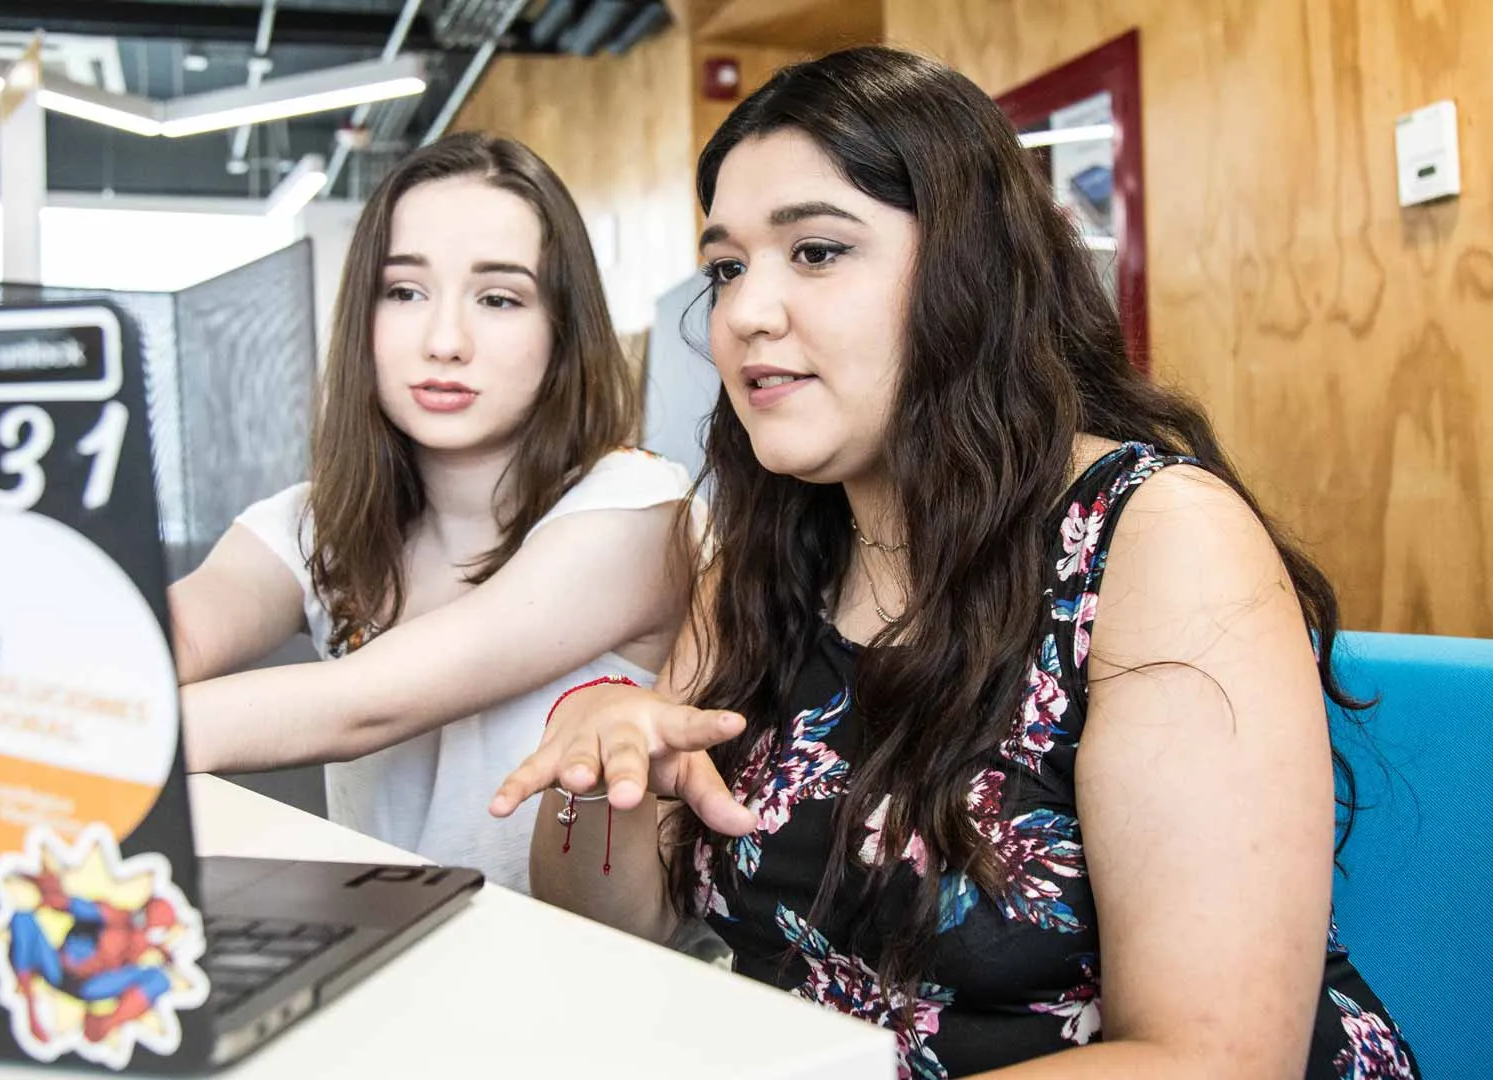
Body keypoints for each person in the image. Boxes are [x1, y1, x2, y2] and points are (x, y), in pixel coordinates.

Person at [492, 47, 1418, 1079]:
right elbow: (613, 925)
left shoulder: (1157, 541)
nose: (745, 313)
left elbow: (1214, 1060)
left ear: (970, 272)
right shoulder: (771, 547)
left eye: (817, 251)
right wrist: (598, 772)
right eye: (727, 266)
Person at [173, 132, 692, 893]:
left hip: (576, 977)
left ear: (561, 329)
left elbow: (363, 707)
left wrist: (99, 729)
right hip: (379, 962)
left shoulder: (634, 508)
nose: (444, 341)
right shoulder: (316, 522)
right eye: (404, 292)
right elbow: (173, 632)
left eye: (499, 298)